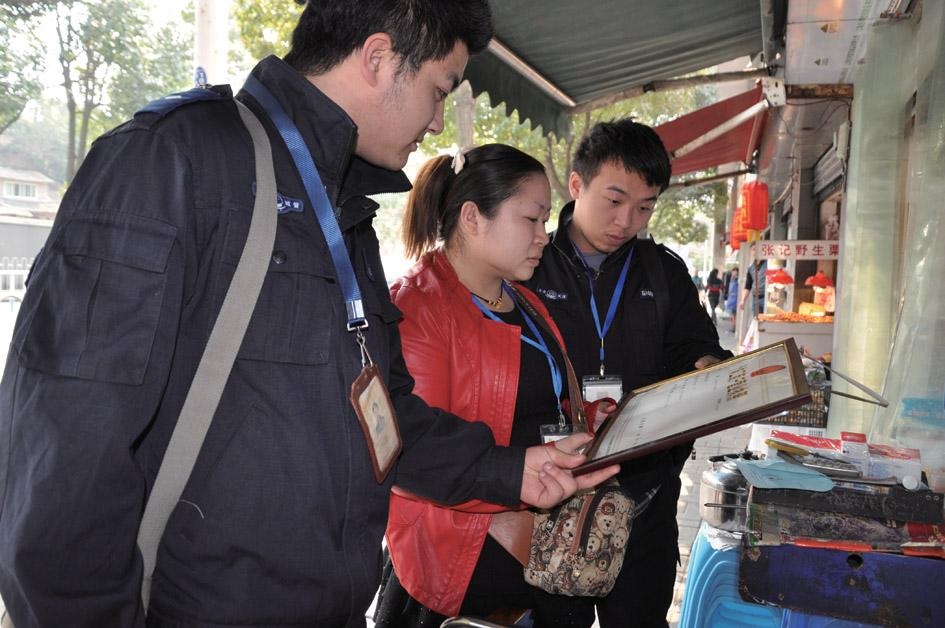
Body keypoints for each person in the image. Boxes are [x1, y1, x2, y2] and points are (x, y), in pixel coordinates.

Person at [0, 4, 616, 626]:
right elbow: (62, 472)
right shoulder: (174, 163)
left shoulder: (344, 215)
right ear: (378, 60)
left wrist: (512, 470)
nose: (435, 121)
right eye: (438, 91)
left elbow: (386, 419)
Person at [374, 144, 613, 627]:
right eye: (530, 219)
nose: (544, 237)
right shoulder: (417, 311)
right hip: (467, 559)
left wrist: (591, 424)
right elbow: (418, 454)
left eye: (545, 221)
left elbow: (538, 408)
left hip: (543, 542)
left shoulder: (524, 302)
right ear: (471, 217)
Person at [525, 119, 731, 627]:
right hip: (551, 497)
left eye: (644, 206)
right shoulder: (530, 262)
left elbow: (696, 347)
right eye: (614, 200)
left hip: (645, 495)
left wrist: (709, 369)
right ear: (576, 185)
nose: (626, 221)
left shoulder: (662, 271)